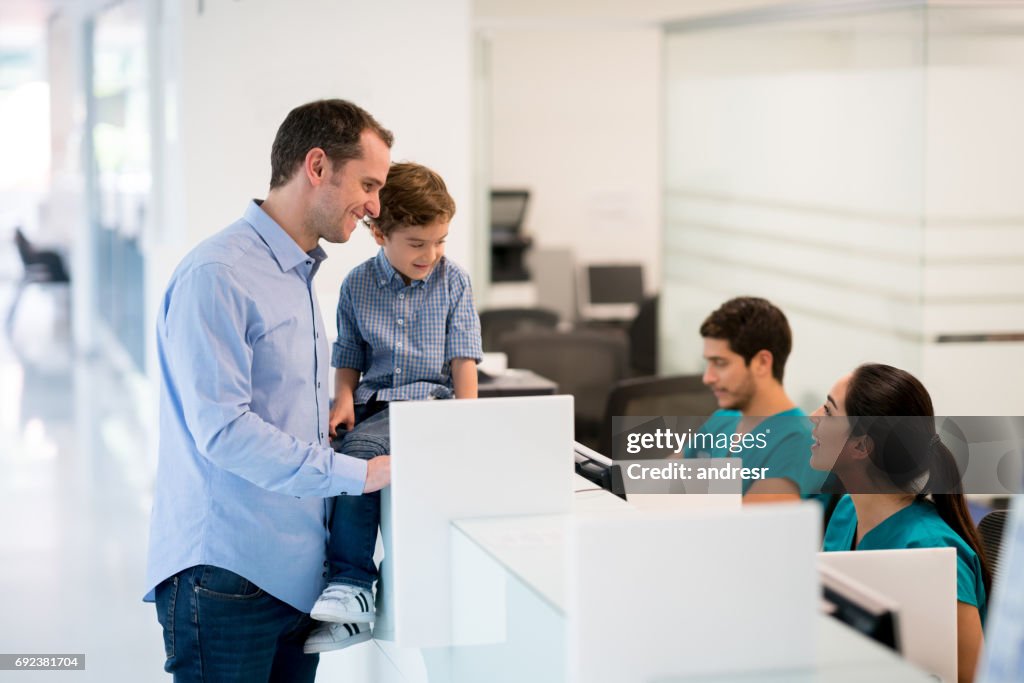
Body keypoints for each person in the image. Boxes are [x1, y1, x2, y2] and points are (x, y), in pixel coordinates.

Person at [144, 99, 394, 683]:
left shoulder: (299, 275)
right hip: (227, 575)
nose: (376, 205)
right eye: (367, 183)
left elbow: (281, 409)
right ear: (316, 166)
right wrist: (359, 475)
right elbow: (224, 431)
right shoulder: (219, 273)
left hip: (293, 576)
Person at [303, 161, 483, 653]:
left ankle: (353, 586)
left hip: (432, 406)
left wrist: (468, 420)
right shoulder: (357, 285)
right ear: (379, 233)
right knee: (347, 461)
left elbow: (463, 357)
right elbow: (349, 357)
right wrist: (342, 400)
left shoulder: (455, 282)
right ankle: (347, 586)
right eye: (418, 243)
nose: (432, 254)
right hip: (376, 408)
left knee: (367, 461)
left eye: (441, 240)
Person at [810, 363, 990, 683]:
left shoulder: (932, 550)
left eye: (829, 410)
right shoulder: (846, 512)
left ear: (861, 447)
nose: (813, 416)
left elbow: (971, 678)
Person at [685, 296, 828, 502]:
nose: (708, 377)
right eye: (708, 363)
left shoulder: (799, 443)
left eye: (720, 363)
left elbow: (739, 531)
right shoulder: (724, 419)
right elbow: (652, 485)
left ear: (761, 362)